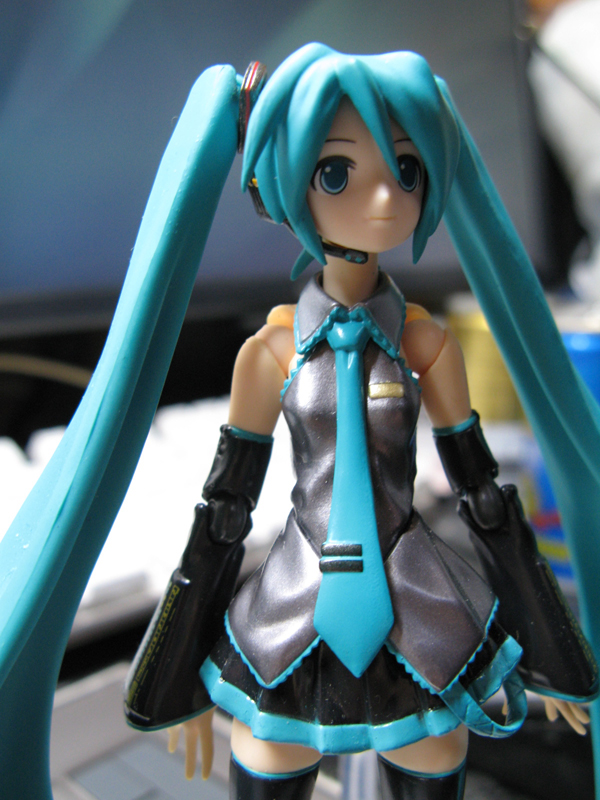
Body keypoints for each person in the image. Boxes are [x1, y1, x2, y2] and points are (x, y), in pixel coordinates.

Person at [1, 43, 599, 800]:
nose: (383, 198)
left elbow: (483, 496)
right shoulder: (271, 352)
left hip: (415, 603)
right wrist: (175, 677)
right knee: (266, 753)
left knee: (435, 749)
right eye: (337, 172)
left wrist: (552, 654)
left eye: (406, 169)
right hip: (292, 603)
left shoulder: (426, 344)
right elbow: (225, 509)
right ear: (281, 182)